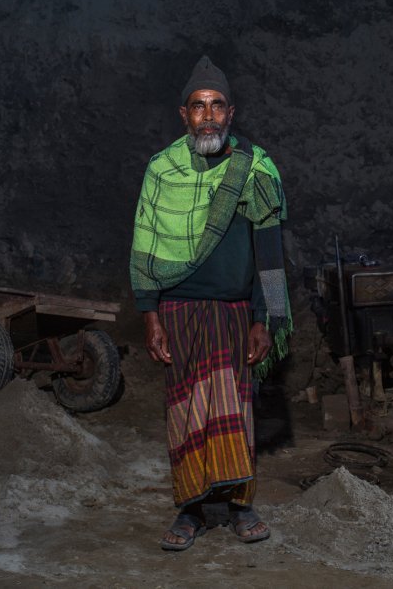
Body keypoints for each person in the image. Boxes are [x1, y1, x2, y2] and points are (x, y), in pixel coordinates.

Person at [129, 56, 292, 551]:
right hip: (178, 314)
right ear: (184, 115)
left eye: (217, 106)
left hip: (232, 314)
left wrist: (264, 318)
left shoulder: (254, 168)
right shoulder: (161, 170)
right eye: (198, 107)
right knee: (185, 414)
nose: (208, 116)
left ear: (231, 112)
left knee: (235, 412)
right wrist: (150, 315)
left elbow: (270, 254)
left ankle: (241, 506)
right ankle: (191, 510)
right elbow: (145, 246)